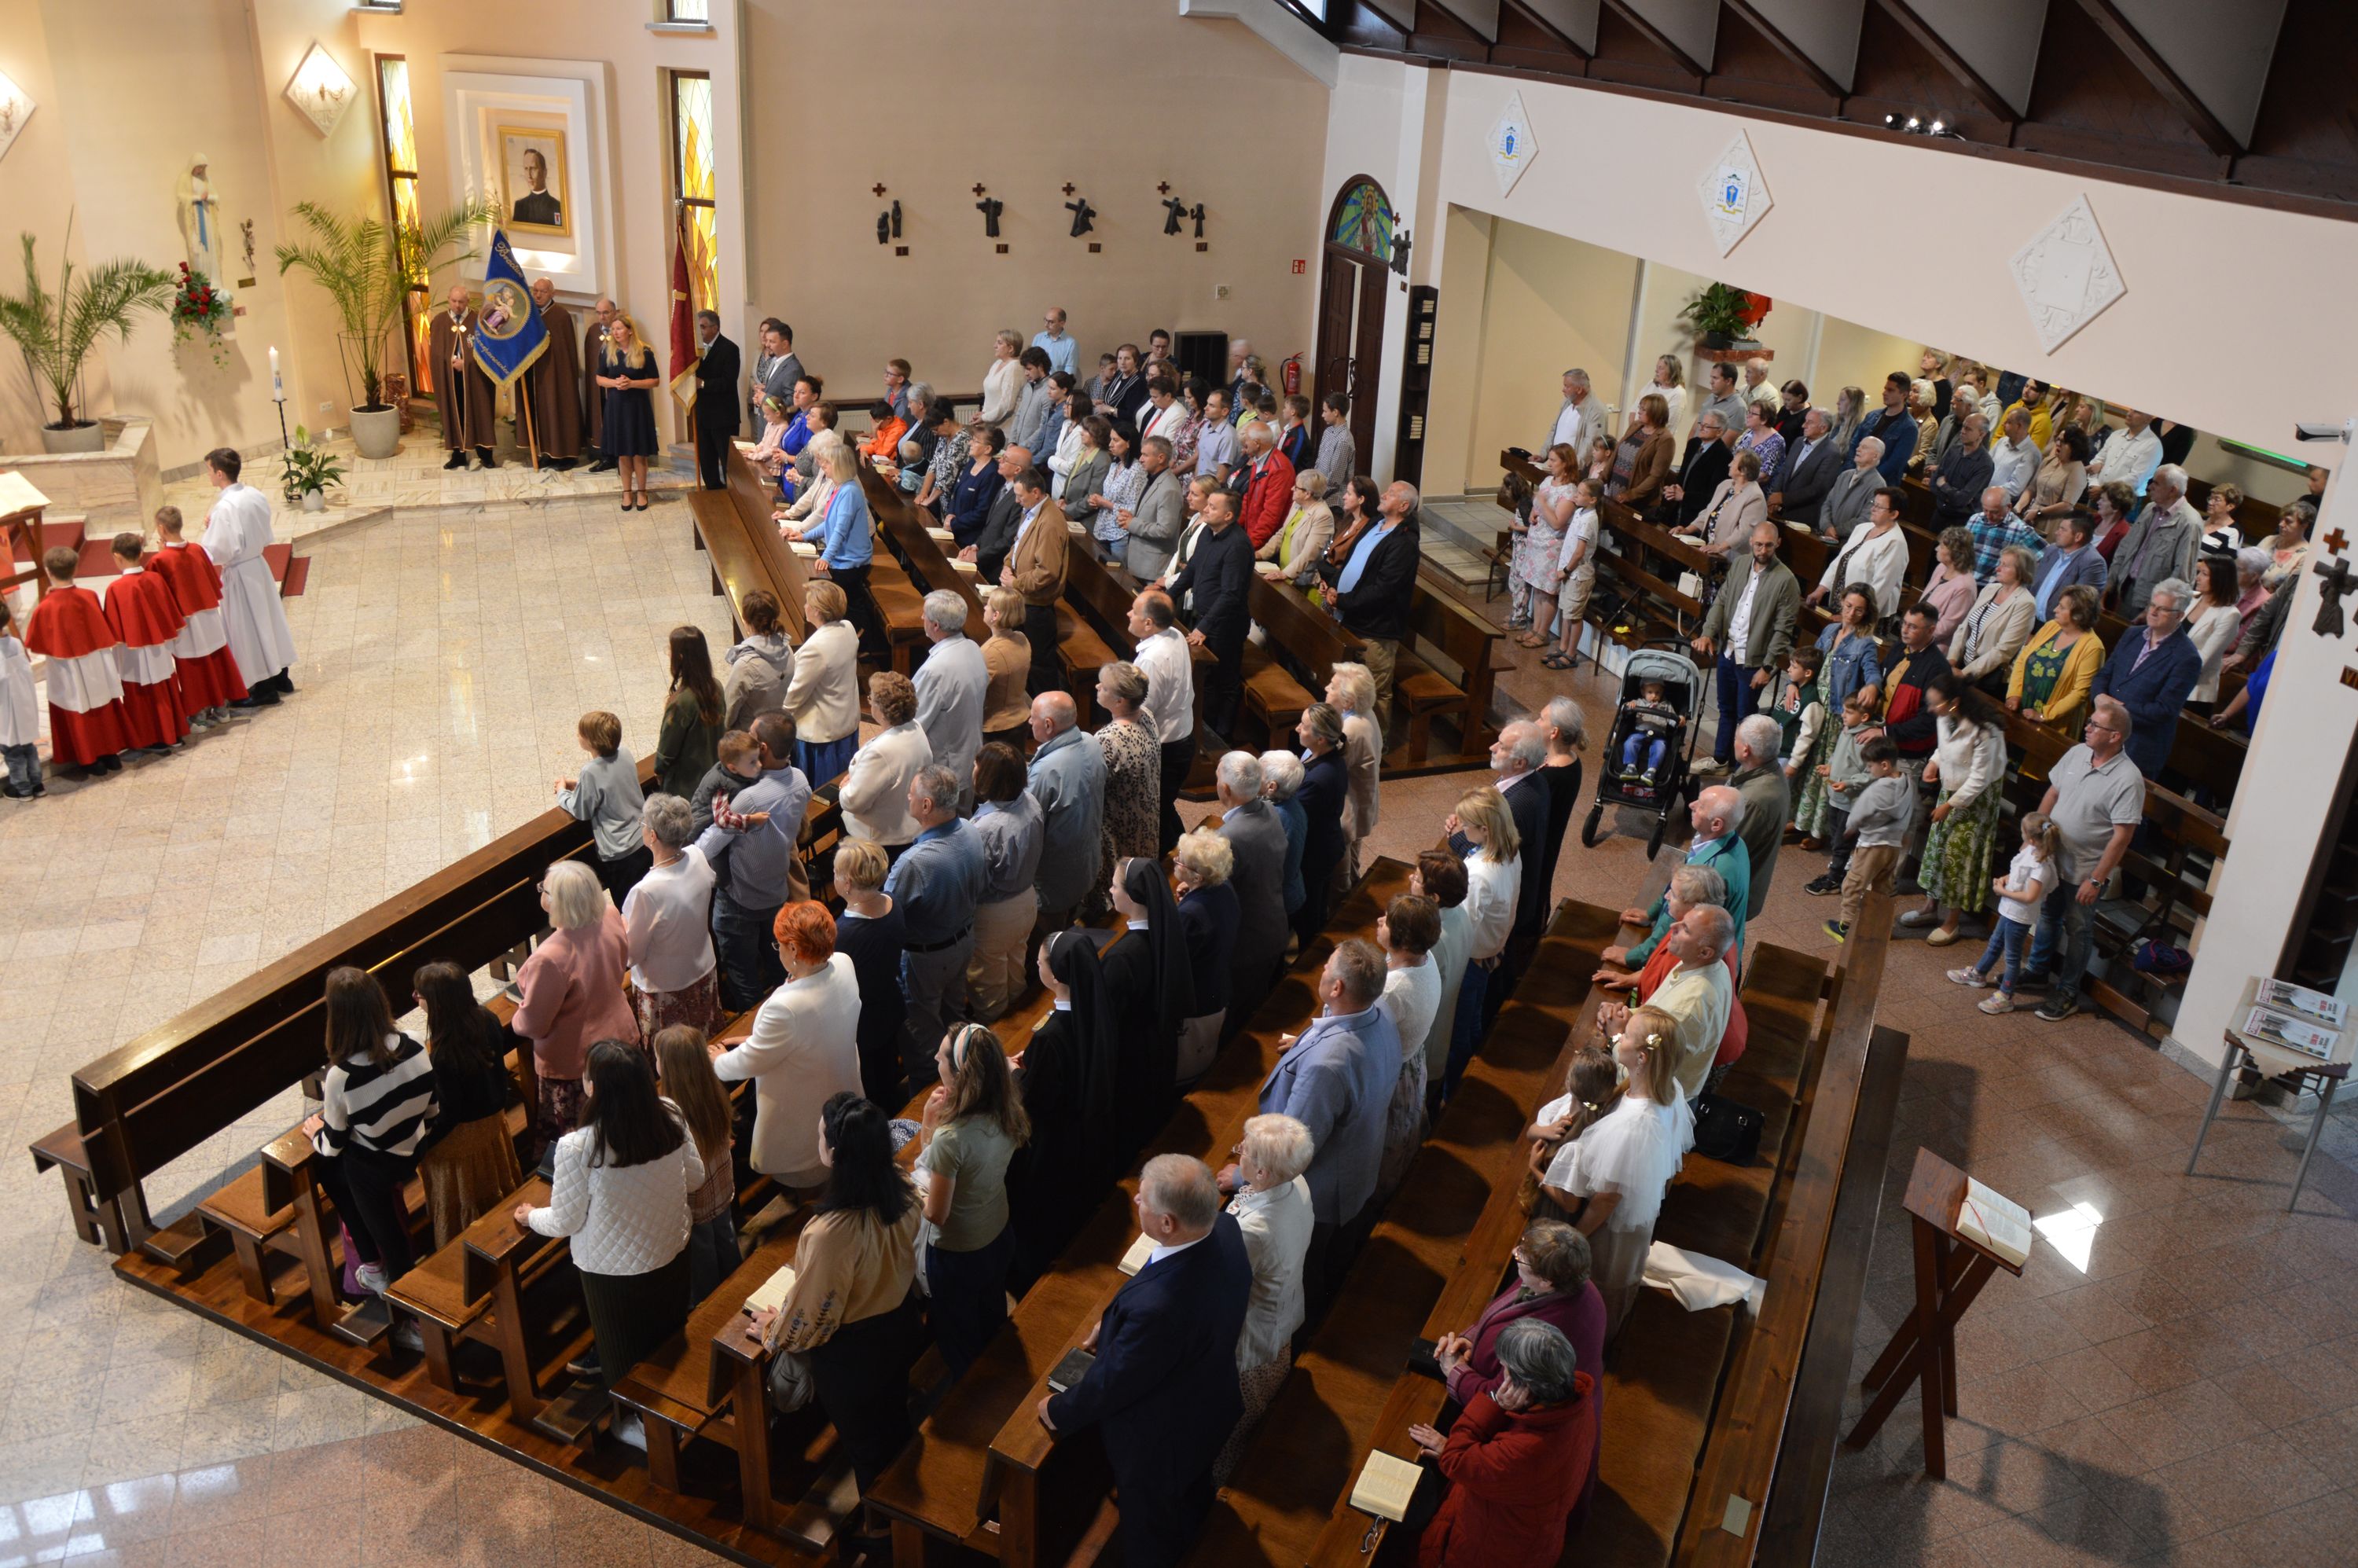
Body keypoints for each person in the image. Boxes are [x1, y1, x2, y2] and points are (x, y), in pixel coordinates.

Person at [1037, 1154, 1251, 1568]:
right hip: (1210, 1401)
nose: (1136, 1200)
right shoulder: (1225, 1229)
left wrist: (1059, 1410)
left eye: (1144, 1199)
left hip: (1163, 1441)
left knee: (1151, 1534)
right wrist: (1116, 1320)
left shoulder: (1160, 1310)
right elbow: (1159, 1277)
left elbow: (1114, 1382)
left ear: (1167, 1223)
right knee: (1192, 1496)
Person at [750, 1093, 922, 1541]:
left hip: (855, 1355)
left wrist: (772, 1328)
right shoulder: (903, 1190)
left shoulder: (832, 1232)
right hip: (901, 1325)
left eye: (821, 1135)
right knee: (893, 1419)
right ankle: (903, 1511)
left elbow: (811, 1318)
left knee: (864, 1446)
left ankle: (883, 1534)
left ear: (834, 1152)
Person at [515, 1038, 700, 1439]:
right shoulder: (670, 1114)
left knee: (620, 1350)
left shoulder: (578, 1146)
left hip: (612, 1270)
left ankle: (636, 1427)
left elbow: (565, 1220)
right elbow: (696, 1178)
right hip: (671, 1246)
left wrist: (531, 1217)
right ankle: (672, 1412)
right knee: (667, 1334)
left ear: (595, 1087)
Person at [1546, 1005, 1691, 1335]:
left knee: (1601, 1290)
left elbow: (1607, 1199)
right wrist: (1617, 1038)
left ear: (1642, 1058)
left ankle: (1600, 1341)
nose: (1619, 1037)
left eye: (1625, 1036)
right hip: (1631, 1217)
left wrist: (1575, 1238)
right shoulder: (1668, 1086)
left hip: (1612, 1230)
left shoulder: (1635, 1125)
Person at [1409, 1316, 1600, 1568]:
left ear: (1525, 1387)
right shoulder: (1576, 1403)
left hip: (1491, 1549)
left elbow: (1455, 1460)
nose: (1502, 1376)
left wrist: (1495, 1402)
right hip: (1532, 1535)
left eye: (1505, 1369)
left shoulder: (1527, 1450)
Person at [302, 968, 436, 1320]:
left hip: (376, 1169)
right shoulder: (413, 1042)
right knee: (340, 1175)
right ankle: (375, 1266)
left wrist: (315, 1132)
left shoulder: (342, 1076)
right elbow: (433, 1108)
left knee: (333, 1171)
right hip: (415, 1148)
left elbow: (332, 1144)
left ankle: (408, 1314)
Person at [2018, 698, 2143, 1021]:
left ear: (2115, 736)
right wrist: (2034, 839)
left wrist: (2096, 879)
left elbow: (2122, 836)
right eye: (2090, 722)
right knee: (2048, 916)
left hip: (2086, 870)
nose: (2087, 728)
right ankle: (2037, 971)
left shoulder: (2127, 779)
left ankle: (2068, 992)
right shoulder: (2077, 753)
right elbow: (2053, 793)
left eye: (2095, 725)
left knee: (2078, 929)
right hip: (2053, 858)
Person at [915, 1023, 1028, 1376]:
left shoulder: (951, 1137)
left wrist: (909, 1191)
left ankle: (972, 1396)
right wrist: (930, 1126)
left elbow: (937, 1214)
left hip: (959, 1254)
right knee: (991, 1314)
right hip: (998, 1233)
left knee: (959, 1340)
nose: (935, 1060)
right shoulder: (1006, 1105)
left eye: (941, 1057)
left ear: (960, 1074)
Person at [1012, 927, 1122, 1279]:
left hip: (1055, 1140)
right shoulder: (1095, 1008)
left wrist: (1013, 1074)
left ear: (1056, 975)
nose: (1037, 966)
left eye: (1040, 962)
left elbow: (1035, 1100)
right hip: (1089, 1125)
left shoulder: (1049, 1036)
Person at [1213, 1113, 1317, 1482]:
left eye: (1244, 1150)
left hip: (1250, 1341)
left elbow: (1219, 1283)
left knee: (1232, 1426)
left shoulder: (1254, 1232)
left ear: (1262, 1172)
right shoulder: (1296, 1181)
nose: (1239, 1151)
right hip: (1281, 1316)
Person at [514, 860, 640, 1155]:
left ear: (558, 902)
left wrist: (520, 1013)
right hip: (622, 1036)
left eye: (544, 890)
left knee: (584, 1147)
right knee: (625, 1123)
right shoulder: (609, 915)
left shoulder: (550, 956)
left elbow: (533, 1024)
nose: (541, 893)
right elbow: (621, 961)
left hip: (578, 1061)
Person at [695, 713, 811, 1009]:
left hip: (740, 900)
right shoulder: (801, 781)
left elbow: (709, 844)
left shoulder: (750, 799)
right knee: (778, 963)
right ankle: (786, 1010)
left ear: (762, 748)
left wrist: (683, 857)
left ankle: (753, 1020)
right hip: (777, 890)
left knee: (742, 972)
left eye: (751, 735)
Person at [410, 960, 523, 1250]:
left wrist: (424, 1144)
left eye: (419, 994)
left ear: (437, 1003)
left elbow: (450, 1114)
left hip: (464, 1138)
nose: (415, 997)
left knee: (426, 1156)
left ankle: (460, 1246)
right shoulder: (487, 1018)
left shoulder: (445, 1052)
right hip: (494, 1123)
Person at [888, 764, 988, 1074]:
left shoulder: (915, 862)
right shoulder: (970, 829)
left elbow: (889, 913)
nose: (908, 798)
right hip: (964, 941)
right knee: (954, 1013)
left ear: (926, 805)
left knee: (924, 1030)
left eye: (911, 794)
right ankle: (963, 1070)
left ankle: (931, 1084)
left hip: (927, 958)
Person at [1902, 674, 2011, 947]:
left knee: (1958, 858)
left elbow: (1980, 779)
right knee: (1937, 850)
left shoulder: (1985, 731)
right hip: (1950, 791)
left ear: (1954, 703)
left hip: (1975, 801)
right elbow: (1945, 746)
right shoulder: (1945, 717)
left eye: (1935, 704)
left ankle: (1951, 922)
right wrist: (1934, 762)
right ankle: (1930, 908)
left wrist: (1949, 805)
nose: (1930, 709)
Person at [1691, 522, 1798, 770]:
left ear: (1778, 544)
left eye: (1769, 545)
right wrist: (1708, 633)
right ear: (1751, 541)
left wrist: (1768, 667)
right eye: (1758, 544)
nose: (1762, 550)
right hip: (1729, 650)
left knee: (1746, 718)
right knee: (1726, 709)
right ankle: (1721, 760)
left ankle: (1743, 769)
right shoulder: (1740, 564)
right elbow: (1721, 601)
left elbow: (1783, 630)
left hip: (1754, 660)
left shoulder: (1786, 580)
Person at [1317, 480, 1423, 729]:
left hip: (1376, 629)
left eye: (1391, 494)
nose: (1383, 495)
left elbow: (1384, 589)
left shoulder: (1404, 543)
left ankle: (1377, 742)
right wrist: (1333, 585)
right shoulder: (1375, 524)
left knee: (1374, 691)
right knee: (1344, 685)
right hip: (1349, 617)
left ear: (1403, 506)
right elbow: (1352, 563)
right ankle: (1345, 733)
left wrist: (1343, 600)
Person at [618, 793, 722, 1045]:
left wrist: (622, 924)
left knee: (673, 1056)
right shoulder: (697, 855)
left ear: (653, 836)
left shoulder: (647, 890)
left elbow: (632, 955)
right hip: (702, 969)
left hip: (666, 987)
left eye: (643, 824)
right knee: (703, 1044)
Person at [1609, 785, 1750, 970]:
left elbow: (1677, 920)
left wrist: (1634, 957)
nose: (1691, 805)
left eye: (1701, 806)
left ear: (1716, 824)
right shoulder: (1733, 842)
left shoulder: (1711, 871)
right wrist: (1650, 913)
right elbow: (1675, 885)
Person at [198, 449, 298, 703]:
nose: (208, 475)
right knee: (270, 622)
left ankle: (264, 689)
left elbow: (217, 550)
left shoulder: (224, 508)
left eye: (209, 470)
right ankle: (281, 678)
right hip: (258, 566)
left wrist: (208, 531)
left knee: (249, 631)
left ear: (220, 473)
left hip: (239, 574)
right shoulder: (254, 494)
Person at [1443, 787, 1522, 1096]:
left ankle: (1454, 1096)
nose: (1463, 829)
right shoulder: (1510, 850)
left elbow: (1462, 926)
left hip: (1471, 959)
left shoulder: (1479, 874)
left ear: (1486, 829)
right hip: (1492, 949)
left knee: (1457, 1033)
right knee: (1474, 1017)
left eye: (1467, 825)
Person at [20, 549, 127, 774]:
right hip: (95, 663)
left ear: (48, 572)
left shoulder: (46, 606)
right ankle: (110, 754)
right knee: (101, 703)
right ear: (76, 569)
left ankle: (90, 760)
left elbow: (35, 642)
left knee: (77, 708)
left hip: (67, 669)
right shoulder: (89, 596)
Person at [652, 1026, 737, 1306]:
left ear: (668, 1067)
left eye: (657, 1057)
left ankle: (709, 1305)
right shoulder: (713, 1089)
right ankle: (736, 1281)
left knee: (702, 1256)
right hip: (722, 1187)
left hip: (696, 1201)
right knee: (725, 1237)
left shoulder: (669, 1113)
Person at [1948, 812, 2061, 1015]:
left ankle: (2006, 995)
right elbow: (2018, 872)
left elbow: (2030, 896)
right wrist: (2005, 879)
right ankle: (1979, 973)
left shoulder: (2041, 867)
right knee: (1995, 943)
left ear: (2031, 839)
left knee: (2012, 957)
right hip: (2009, 910)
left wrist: (2002, 891)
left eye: (2022, 831)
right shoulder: (2031, 851)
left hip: (2019, 916)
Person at [145, 505, 245, 726]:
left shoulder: (159, 561)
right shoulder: (198, 549)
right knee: (216, 659)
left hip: (185, 622)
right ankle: (222, 707)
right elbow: (212, 581)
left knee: (192, 667)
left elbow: (157, 596)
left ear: (161, 529)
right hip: (208, 615)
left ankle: (198, 714)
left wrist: (161, 553)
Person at [1164, 490, 1254, 735]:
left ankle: (1220, 737)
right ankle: (1202, 728)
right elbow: (1192, 569)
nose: (1205, 509)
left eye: (1213, 507)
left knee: (1224, 681)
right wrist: (1167, 596)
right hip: (1205, 616)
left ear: (1228, 515)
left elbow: (1231, 594)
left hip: (1226, 625)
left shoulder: (1238, 546)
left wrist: (1204, 627)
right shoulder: (1207, 532)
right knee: (1206, 679)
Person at [967, 742, 1045, 1022]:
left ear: (988, 778)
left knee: (989, 990)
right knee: (1015, 971)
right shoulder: (1031, 802)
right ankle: (1020, 1026)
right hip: (1026, 900)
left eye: (977, 766)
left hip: (995, 914)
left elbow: (976, 879)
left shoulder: (986, 828)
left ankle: (1001, 1039)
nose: (973, 769)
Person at [1214, 751, 1291, 1030]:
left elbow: (1217, 894)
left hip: (1247, 944)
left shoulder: (1228, 838)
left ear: (1225, 789)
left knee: (1237, 1017)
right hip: (1273, 925)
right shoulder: (1269, 810)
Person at [1374, 892, 1443, 1195]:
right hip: (1411, 1060)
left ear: (1401, 938)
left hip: (1391, 1074)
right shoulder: (1425, 958)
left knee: (1385, 1152)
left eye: (1387, 921)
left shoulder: (1393, 990)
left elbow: (1360, 1037)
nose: (1380, 921)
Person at [1027, 690, 1107, 939]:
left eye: (1033, 717)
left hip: (1053, 881)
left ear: (1048, 725)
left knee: (1049, 940)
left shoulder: (1046, 771)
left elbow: (1028, 824)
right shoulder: (1092, 742)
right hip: (1087, 863)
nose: (1029, 722)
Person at [556, 709, 650, 901]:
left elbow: (581, 810)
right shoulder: (624, 753)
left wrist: (562, 792)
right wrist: (581, 785)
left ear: (592, 741)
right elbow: (610, 783)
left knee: (627, 904)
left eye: (581, 733)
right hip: (643, 838)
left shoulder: (590, 772)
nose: (577, 735)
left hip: (620, 851)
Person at [1825, 737, 1911, 944]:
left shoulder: (1878, 789)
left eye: (1871, 766)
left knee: (1853, 884)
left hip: (1871, 846)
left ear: (1884, 765)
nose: (1870, 770)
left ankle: (1846, 926)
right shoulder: (1906, 781)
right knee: (1883, 887)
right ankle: (1881, 927)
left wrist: (1851, 827)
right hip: (1893, 846)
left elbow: (1858, 814)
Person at [1130, 589, 1196, 851]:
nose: (1129, 614)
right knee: (1164, 808)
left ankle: (1173, 862)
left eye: (1134, 611)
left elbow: (1142, 710)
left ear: (1149, 623)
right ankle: (1181, 851)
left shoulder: (1152, 659)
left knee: (1155, 812)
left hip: (1165, 749)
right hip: (1182, 738)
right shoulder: (1175, 634)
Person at [1173, 828, 1240, 1082]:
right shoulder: (1224, 887)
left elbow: (1177, 963)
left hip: (1198, 1003)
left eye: (1180, 860)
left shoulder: (1190, 916)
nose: (1176, 861)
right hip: (1218, 986)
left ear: (1198, 876)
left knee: (1188, 1064)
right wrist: (1192, 894)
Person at [840, 670, 931, 852]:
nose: (869, 703)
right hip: (908, 827)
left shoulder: (881, 752)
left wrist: (845, 788)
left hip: (879, 839)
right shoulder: (915, 727)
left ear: (882, 711)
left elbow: (853, 802)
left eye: (871, 699)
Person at [1003, 465, 1074, 697]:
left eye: (1020, 496)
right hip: (1023, 599)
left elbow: (1047, 572)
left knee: (1039, 668)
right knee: (1022, 661)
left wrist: (1015, 583)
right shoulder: (1031, 510)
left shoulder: (1050, 522)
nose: (1017, 501)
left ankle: (1050, 710)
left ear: (1035, 492)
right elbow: (1018, 543)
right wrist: (1007, 564)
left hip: (1036, 607)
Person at [778, 582, 858, 784]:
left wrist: (779, 717)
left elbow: (796, 694)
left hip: (821, 733)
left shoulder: (815, 649)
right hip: (846, 720)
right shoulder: (848, 628)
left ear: (817, 610)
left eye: (808, 603)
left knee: (820, 789)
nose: (805, 606)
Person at [913, 590, 988, 802]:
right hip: (969, 752)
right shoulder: (972, 647)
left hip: (946, 765)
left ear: (936, 625)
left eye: (925, 614)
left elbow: (915, 720)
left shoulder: (936, 669)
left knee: (945, 814)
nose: (922, 617)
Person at [2009, 583, 2106, 737]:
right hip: (2021, 707)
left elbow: (2080, 693)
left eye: (2062, 607)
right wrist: (2014, 694)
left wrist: (2044, 715)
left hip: (2054, 725)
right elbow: (2023, 659)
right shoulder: (2051, 626)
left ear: (2078, 615)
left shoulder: (2093, 648)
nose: (2055, 610)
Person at [2106, 465, 2201, 617]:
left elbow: (2183, 575)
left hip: (2151, 601)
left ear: (2172, 490)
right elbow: (2126, 547)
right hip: (2124, 588)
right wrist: (2110, 582)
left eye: (2156, 483)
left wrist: (2158, 608)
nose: (2150, 487)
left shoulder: (2190, 523)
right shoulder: (2150, 509)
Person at [1804, 485, 1909, 621]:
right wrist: (1820, 590)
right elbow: (1840, 561)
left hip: (1865, 615)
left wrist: (1852, 615)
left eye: (1879, 507)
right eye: (1874, 503)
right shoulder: (1862, 528)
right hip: (1843, 603)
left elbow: (1881, 587)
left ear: (1894, 514)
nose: (1873, 509)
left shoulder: (1895, 543)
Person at [1295, 704, 1351, 944]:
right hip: (1324, 843)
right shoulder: (1326, 757)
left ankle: (1310, 955)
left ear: (1320, 738)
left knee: (1309, 914)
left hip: (1315, 852)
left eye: (1304, 726)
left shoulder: (1319, 779)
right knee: (1316, 905)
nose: (1297, 728)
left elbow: (1296, 813)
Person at [428, 285, 498, 470]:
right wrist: (448, 362)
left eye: (461, 301)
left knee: (480, 412)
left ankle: (486, 455)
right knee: (454, 412)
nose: (457, 305)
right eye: (454, 301)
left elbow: (488, 352)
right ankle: (458, 456)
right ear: (448, 299)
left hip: (476, 379)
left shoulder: (479, 321)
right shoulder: (439, 322)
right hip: (450, 377)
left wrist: (466, 362)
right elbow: (435, 353)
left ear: (467, 301)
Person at [1951, 545, 2040, 694]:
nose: (1998, 568)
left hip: (1985, 678)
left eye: (2005, 565)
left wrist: (1965, 674)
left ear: (2021, 571)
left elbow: (2004, 650)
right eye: (2000, 563)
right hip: (1961, 664)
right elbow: (1964, 627)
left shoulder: (2025, 603)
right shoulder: (1990, 589)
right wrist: (1952, 659)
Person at [595, 316, 662, 509]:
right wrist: (615, 383)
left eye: (619, 328)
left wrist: (632, 384)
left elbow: (655, 381)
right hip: (616, 407)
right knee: (623, 453)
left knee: (639, 453)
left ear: (630, 330)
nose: (615, 332)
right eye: (613, 329)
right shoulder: (607, 351)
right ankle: (626, 492)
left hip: (638, 406)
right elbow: (599, 378)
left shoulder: (645, 351)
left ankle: (642, 491)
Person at [1727, 714, 1790, 920]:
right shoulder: (1765, 769)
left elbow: (1724, 848)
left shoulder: (1753, 800)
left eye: (1736, 738)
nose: (1733, 742)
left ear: (1746, 750)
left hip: (1728, 898)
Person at [1511, 444, 1574, 646]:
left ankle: (1542, 634)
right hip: (1536, 542)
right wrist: (1533, 513)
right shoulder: (1548, 481)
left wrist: (1543, 504)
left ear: (1566, 463)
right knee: (1537, 588)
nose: (1549, 464)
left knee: (1547, 592)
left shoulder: (1569, 492)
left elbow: (1557, 522)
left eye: (1554, 460)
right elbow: (1537, 507)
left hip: (1551, 548)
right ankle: (1535, 629)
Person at [1327, 663, 1385, 882]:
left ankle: (1345, 902)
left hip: (1347, 809)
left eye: (1332, 687)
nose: (1326, 688)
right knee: (1351, 863)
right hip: (1359, 802)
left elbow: (1329, 769)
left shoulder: (1350, 729)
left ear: (1348, 700)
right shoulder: (1366, 713)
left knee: (1340, 876)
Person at [654, 626, 725, 801]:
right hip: (714, 776)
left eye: (671, 649)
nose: (668, 653)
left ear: (680, 657)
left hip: (687, 787)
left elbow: (667, 751)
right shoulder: (716, 686)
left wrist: (659, 770)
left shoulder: (682, 702)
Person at [1545, 479, 1602, 671]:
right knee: (1566, 612)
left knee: (1574, 616)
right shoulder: (1579, 512)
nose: (1575, 496)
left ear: (1593, 499)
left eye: (1580, 494)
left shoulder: (1589, 519)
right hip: (1569, 572)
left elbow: (1579, 552)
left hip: (1578, 575)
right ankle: (1563, 648)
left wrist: (1566, 571)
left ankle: (1571, 654)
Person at [721, 589, 793, 733]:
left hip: (752, 736)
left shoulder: (745, 665)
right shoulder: (788, 650)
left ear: (746, 621)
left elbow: (729, 711)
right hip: (780, 731)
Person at [688, 310, 740, 490]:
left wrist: (702, 384)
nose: (699, 331)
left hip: (723, 416)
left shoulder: (730, 349)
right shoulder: (695, 350)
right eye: (697, 328)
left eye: (702, 327)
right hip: (702, 414)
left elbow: (728, 381)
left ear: (715, 328)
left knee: (728, 461)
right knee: (707, 460)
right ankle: (713, 494)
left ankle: (732, 495)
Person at [2186, 556, 2245, 712]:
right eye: (2199, 572)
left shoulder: (2230, 615)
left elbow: (2203, 659)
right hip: (2166, 677)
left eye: (2204, 574)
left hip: (2194, 690)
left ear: (2220, 579)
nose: (2198, 578)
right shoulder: (2191, 598)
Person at [1660, 410, 1732, 531]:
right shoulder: (1693, 444)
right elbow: (1682, 475)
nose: (1701, 428)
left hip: (1695, 517)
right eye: (1701, 424)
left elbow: (1714, 496)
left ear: (1719, 432)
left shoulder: (1724, 456)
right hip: (1675, 510)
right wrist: (1673, 489)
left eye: (1707, 426)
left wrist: (1684, 496)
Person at [1261, 750, 1309, 928]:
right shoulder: (1289, 804)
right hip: (1288, 892)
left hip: (1278, 900)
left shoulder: (1274, 817)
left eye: (1259, 773)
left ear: (1272, 787)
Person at [1264, 468, 1335, 589]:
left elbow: (1310, 553)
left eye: (1296, 488)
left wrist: (1286, 574)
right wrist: (1260, 554)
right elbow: (1282, 534)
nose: (1292, 489)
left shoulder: (1323, 515)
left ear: (1308, 494)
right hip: (1283, 572)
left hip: (1303, 582)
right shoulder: (1297, 504)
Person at [1926, 413, 1995, 529]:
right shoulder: (1954, 450)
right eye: (1963, 427)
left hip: (1960, 521)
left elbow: (1961, 500)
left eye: (1968, 429)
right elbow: (1933, 483)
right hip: (1939, 513)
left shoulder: (1985, 464)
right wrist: (1952, 495)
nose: (1962, 431)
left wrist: (1944, 485)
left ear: (1981, 434)